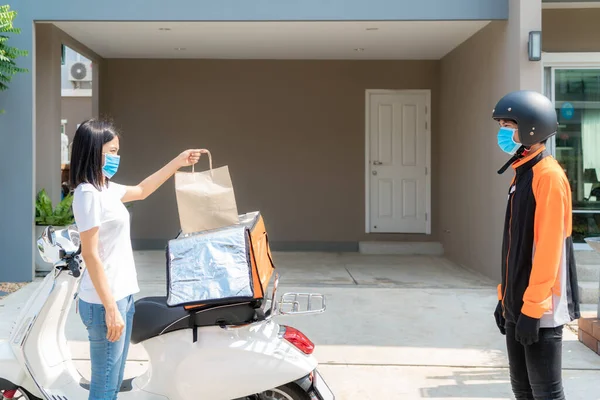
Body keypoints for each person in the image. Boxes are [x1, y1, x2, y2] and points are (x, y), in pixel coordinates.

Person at [70, 119, 206, 399]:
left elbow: (143, 190)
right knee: (105, 387)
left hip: (122, 296)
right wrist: (110, 309)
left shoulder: (106, 188)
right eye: (111, 151)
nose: (116, 158)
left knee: (113, 380)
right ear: (93, 149)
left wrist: (177, 162)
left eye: (118, 151)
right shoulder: (87, 194)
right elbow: (90, 254)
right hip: (103, 303)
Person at [491, 90, 580, 400]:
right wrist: (505, 298)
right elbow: (515, 246)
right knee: (523, 390)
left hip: (540, 307)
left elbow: (548, 249)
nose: (504, 132)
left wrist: (532, 310)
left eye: (508, 125)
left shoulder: (548, 176)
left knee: (546, 393)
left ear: (531, 127)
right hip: (520, 301)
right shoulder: (522, 172)